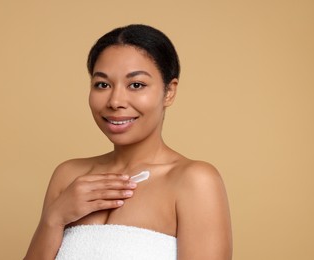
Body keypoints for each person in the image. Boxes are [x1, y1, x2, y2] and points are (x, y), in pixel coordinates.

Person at [24, 24, 232, 260]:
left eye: (136, 85)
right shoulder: (68, 175)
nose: (115, 101)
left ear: (169, 92)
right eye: (102, 84)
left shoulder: (194, 181)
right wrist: (54, 219)